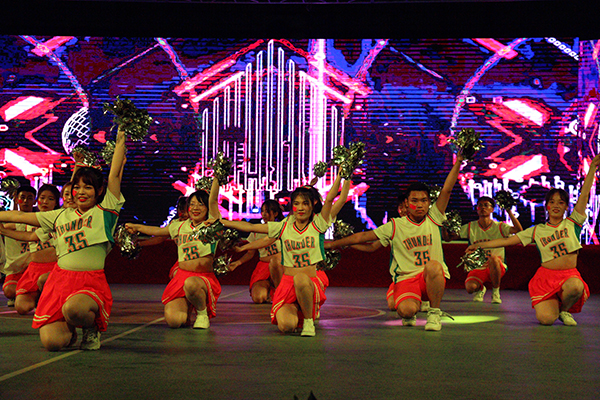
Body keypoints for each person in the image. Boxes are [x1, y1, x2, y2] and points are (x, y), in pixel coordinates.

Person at [0, 126, 126, 351]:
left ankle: (91, 328)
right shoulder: (60, 215)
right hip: (59, 280)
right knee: (52, 343)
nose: (81, 191)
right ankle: (69, 331)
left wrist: (122, 135)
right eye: (77, 187)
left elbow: (114, 174)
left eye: (88, 187)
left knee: (74, 309)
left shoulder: (105, 212)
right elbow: (18, 216)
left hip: (89, 281)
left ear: (99, 191)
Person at [326, 153, 464, 331]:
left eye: (424, 201)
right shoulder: (395, 225)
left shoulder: (434, 217)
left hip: (428, 277)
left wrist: (458, 161)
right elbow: (363, 237)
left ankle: (434, 314)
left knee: (434, 266)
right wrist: (332, 244)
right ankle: (410, 308)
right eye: (414, 201)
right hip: (406, 279)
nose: (419, 205)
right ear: (406, 203)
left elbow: (447, 190)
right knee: (406, 311)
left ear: (430, 203)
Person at [466, 155, 600, 326]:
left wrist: (593, 167)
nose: (556, 205)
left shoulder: (573, 223)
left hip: (569, 275)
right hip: (546, 278)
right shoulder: (537, 230)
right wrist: (479, 244)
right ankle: (553, 306)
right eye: (552, 202)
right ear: (547, 206)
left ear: (567, 206)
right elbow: (507, 241)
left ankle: (564, 310)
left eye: (561, 202)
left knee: (576, 287)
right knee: (546, 320)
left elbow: (585, 194)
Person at [214, 173, 350, 337]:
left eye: (305, 204)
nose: (300, 208)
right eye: (296, 204)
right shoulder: (284, 226)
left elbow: (333, 200)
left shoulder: (318, 224)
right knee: (286, 326)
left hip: (307, 281)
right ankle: (298, 311)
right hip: (287, 283)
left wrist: (344, 174)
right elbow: (251, 227)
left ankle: (308, 320)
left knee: (300, 278)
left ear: (312, 206)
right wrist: (222, 222)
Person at [125, 179, 221, 330]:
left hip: (201, 278)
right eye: (192, 204)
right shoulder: (179, 226)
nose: (195, 208)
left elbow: (213, 200)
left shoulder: (212, 225)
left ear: (207, 207)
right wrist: (136, 227)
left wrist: (217, 177)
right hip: (181, 277)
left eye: (200, 204)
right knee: (175, 321)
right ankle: (188, 307)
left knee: (191, 284)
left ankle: (202, 314)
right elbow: (158, 231)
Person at [0, 184, 61, 314]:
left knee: (44, 281)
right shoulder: (31, 219)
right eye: (42, 198)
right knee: (21, 307)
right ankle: (38, 297)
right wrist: (3, 231)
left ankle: (45, 298)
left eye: (50, 199)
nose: (45, 201)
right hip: (33, 269)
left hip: (54, 267)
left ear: (56, 202)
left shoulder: (61, 218)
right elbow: (19, 225)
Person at [452, 196, 522, 304]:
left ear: (492, 209)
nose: (483, 208)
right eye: (480, 205)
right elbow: (450, 237)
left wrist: (508, 211)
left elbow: (519, 230)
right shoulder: (471, 226)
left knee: (493, 258)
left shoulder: (499, 226)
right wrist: (446, 225)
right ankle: (480, 289)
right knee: (470, 288)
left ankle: (495, 292)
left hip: (496, 265)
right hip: (479, 266)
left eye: (486, 205)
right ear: (476, 209)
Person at [229, 200, 285, 304]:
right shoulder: (256, 232)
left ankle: (281, 293)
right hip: (263, 267)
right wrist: (237, 263)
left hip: (280, 266)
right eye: (262, 211)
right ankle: (269, 290)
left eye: (267, 211)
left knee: (276, 260)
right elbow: (250, 253)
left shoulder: (282, 228)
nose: (264, 214)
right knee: (258, 298)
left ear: (275, 213)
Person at [1, 185, 36, 307]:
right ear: (16, 199)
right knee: (9, 291)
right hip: (15, 270)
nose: (26, 201)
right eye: (22, 197)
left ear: (35, 201)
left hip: (33, 269)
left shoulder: (38, 219)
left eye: (30, 198)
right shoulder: (7, 219)